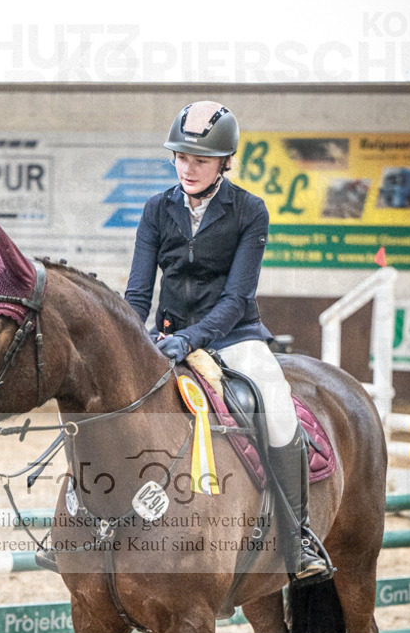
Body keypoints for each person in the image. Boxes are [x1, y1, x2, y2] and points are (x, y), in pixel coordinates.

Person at [124, 100, 332, 583]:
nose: (188, 168)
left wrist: (191, 339)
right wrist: (132, 339)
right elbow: (137, 294)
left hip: (234, 337)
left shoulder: (249, 211)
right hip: (167, 337)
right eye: (181, 157)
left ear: (225, 162)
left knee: (276, 408)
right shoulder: (156, 209)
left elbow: (237, 298)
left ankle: (297, 536)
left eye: (200, 160)